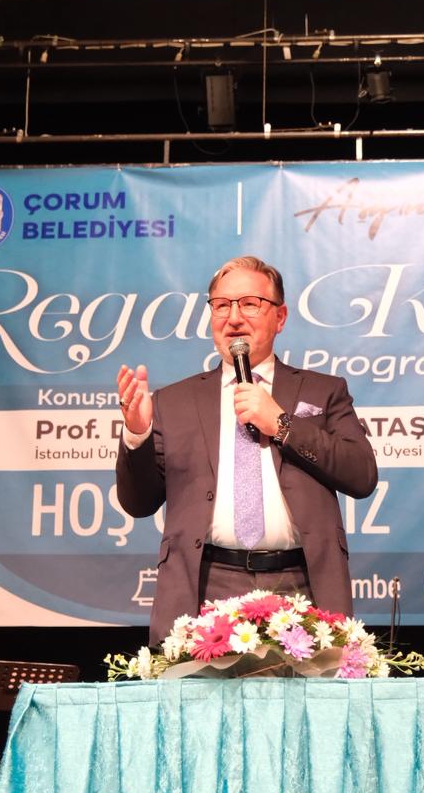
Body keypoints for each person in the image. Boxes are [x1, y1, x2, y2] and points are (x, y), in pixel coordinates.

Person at [115, 256, 378, 645]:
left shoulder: (324, 391)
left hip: (300, 583)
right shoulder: (173, 402)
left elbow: (361, 475)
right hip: (204, 585)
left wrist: (282, 424)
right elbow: (138, 504)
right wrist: (137, 434)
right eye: (222, 305)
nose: (234, 318)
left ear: (280, 317)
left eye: (250, 304)